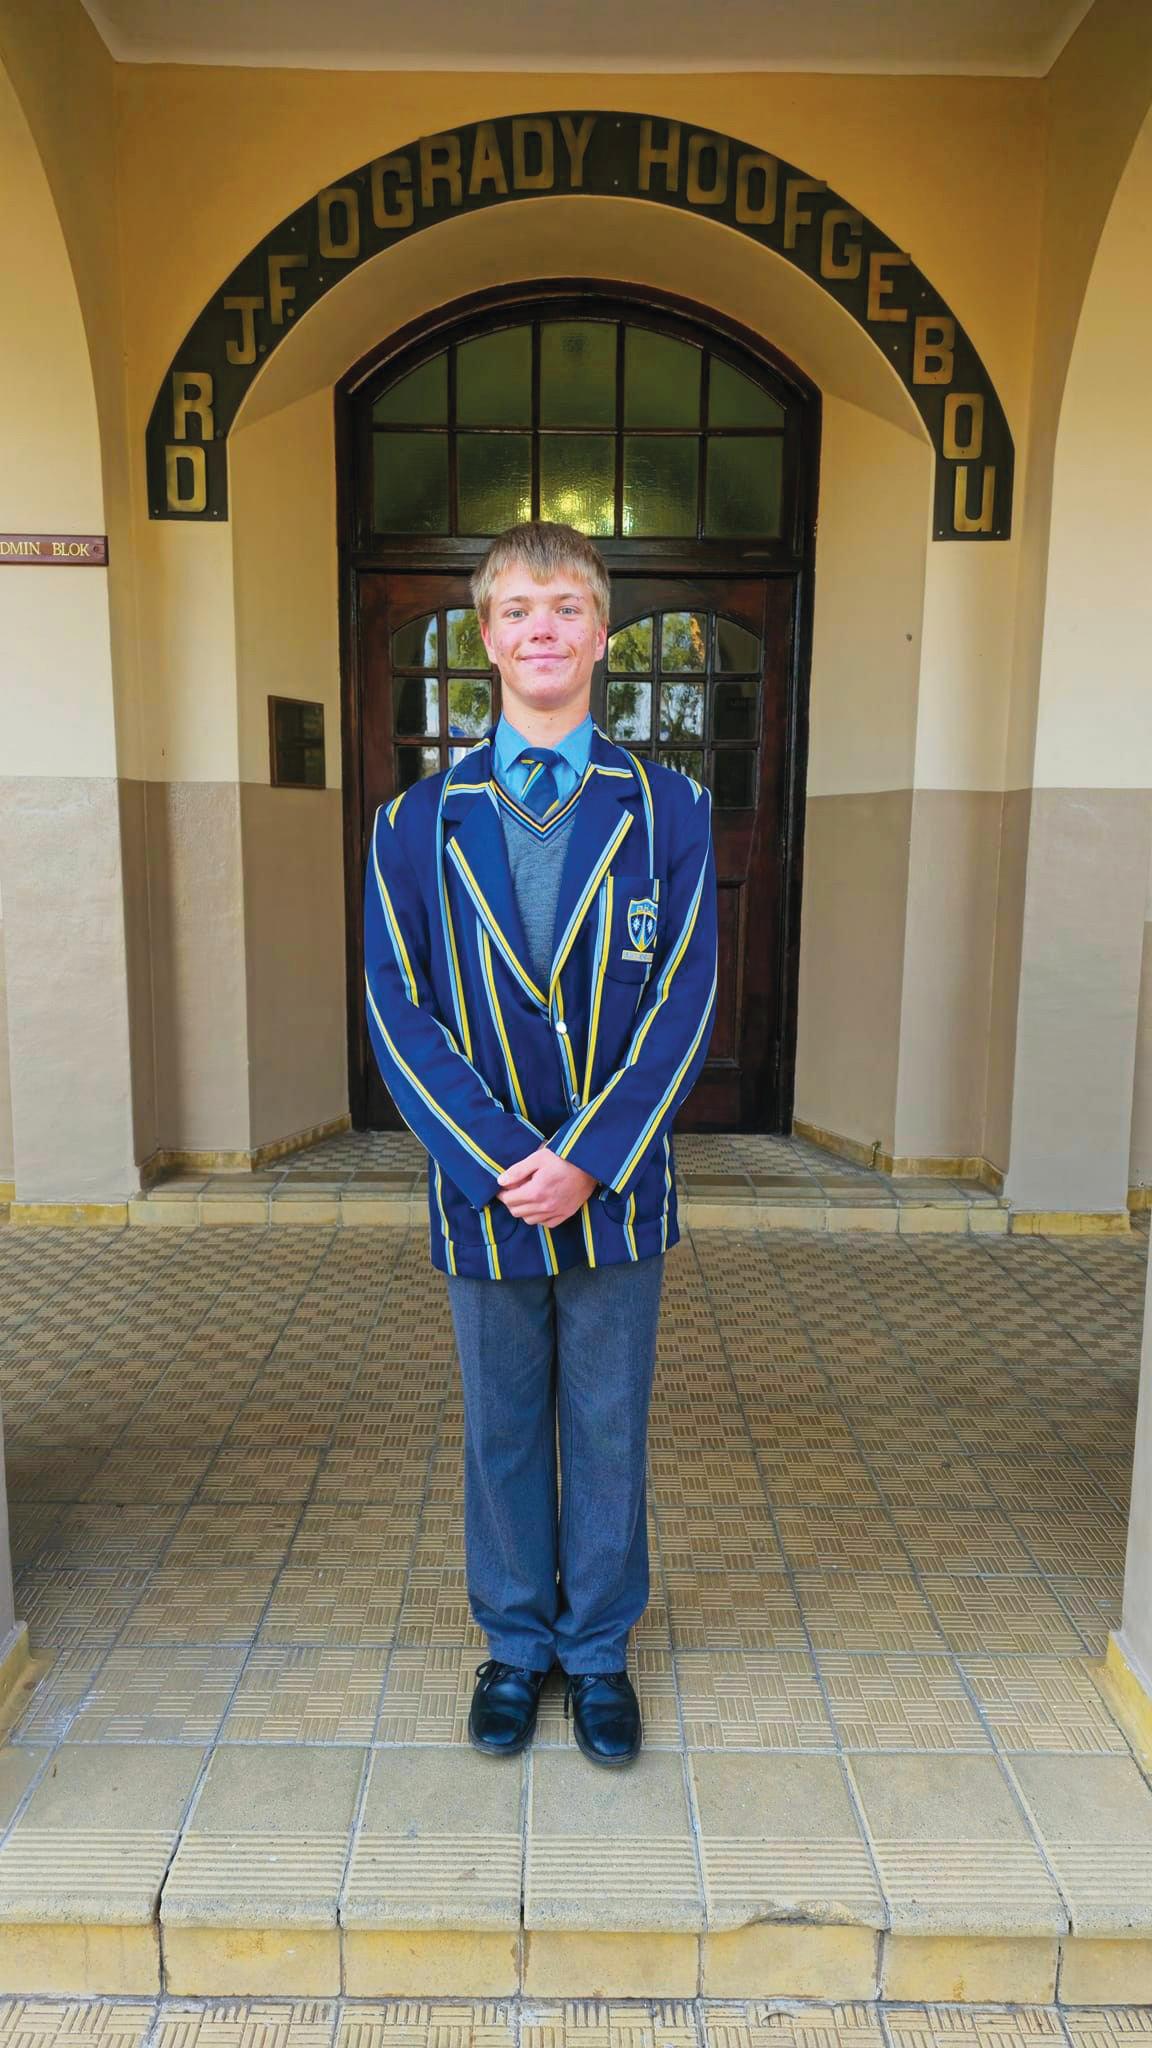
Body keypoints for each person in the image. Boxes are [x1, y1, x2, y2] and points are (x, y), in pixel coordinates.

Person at [365, 520, 717, 1766]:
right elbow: (396, 1008)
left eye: (566, 606)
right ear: (486, 637)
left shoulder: (670, 807)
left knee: (609, 1423)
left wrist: (589, 1156)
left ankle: (600, 1650)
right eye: (516, 609)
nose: (542, 629)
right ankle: (516, 1644)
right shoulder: (413, 821)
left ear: (603, 633)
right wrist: (506, 1162)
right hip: (488, 1194)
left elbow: (684, 998)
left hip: (614, 1191)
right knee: (503, 1426)